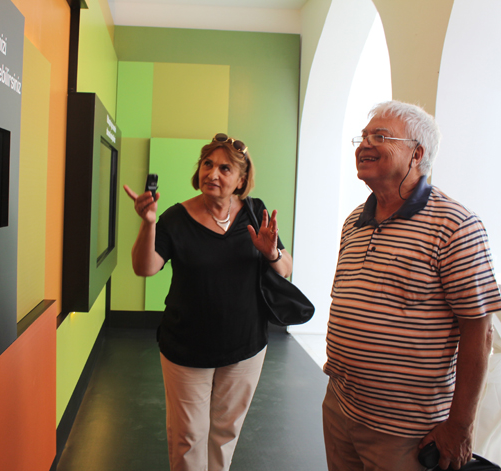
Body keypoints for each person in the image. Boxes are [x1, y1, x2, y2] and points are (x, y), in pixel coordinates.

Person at [322, 100, 501, 471]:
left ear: (417, 154)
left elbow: (479, 332)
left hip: (407, 431)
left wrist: (460, 426)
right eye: (363, 136)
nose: (365, 144)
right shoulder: (354, 221)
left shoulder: (456, 226)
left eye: (380, 136)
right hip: (340, 407)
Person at [123, 133, 292, 471]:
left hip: (245, 346)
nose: (212, 173)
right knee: (188, 437)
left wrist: (271, 252)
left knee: (225, 433)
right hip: (187, 348)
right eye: (207, 164)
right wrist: (148, 224)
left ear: (241, 180)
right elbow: (145, 268)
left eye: (225, 168)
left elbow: (285, 269)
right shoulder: (175, 218)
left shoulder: (255, 212)